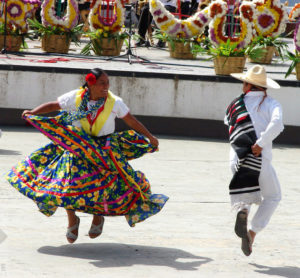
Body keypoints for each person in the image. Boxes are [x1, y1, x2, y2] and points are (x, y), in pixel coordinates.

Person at [6, 68, 168, 244]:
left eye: (107, 83)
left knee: (102, 185)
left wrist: (150, 137)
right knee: (67, 186)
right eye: (102, 83)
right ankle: (72, 220)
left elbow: (131, 120)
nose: (106, 86)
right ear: (90, 83)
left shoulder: (114, 102)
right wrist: (33, 112)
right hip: (77, 147)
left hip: (102, 149)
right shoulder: (76, 97)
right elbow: (54, 105)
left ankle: (98, 216)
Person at [224, 65, 283, 256]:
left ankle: (243, 210)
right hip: (260, 159)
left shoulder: (234, 105)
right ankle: (252, 231)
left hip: (237, 158)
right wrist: (260, 143)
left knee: (247, 189)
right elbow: (277, 124)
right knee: (273, 196)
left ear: (248, 85)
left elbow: (231, 128)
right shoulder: (272, 104)